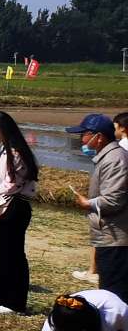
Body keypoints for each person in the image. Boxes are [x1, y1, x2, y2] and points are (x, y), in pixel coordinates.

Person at [69, 113, 128, 302]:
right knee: (110, 286)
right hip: (108, 234)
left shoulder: (115, 159)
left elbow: (114, 199)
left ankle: (118, 329)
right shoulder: (107, 157)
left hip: (115, 236)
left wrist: (89, 203)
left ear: (99, 137)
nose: (81, 139)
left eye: (84, 134)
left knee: (114, 292)